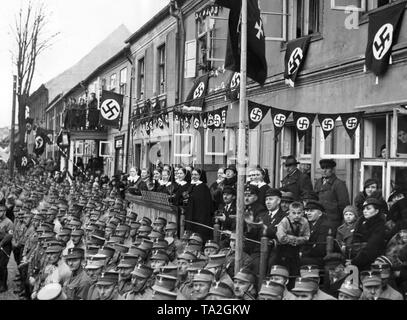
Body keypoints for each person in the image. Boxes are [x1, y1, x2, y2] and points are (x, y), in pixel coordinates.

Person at [349, 198, 386, 271]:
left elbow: (372, 248)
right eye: (364, 209)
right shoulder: (360, 223)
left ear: (376, 211)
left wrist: (355, 261)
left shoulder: (379, 225)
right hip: (356, 260)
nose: (365, 211)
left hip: (370, 264)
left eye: (368, 209)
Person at [314, 159, 350, 233]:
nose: (324, 170)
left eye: (327, 168)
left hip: (333, 221)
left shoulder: (339, 184)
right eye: (322, 168)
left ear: (332, 170)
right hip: (319, 220)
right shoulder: (318, 182)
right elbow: (315, 200)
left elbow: (344, 205)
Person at [276, 202, 310, 280]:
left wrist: (292, 238)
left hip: (297, 250)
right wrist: (296, 239)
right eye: (294, 213)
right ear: (289, 213)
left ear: (303, 213)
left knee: (295, 270)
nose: (296, 215)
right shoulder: (284, 221)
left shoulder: (305, 222)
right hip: (284, 249)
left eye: (299, 213)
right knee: (283, 270)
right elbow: (281, 238)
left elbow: (307, 237)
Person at [300, 200, 332, 268]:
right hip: (310, 257)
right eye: (307, 210)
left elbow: (320, 249)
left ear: (320, 213)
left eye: (311, 211)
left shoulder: (324, 226)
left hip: (320, 259)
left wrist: (303, 253)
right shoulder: (309, 224)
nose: (308, 213)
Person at [185, 169, 214, 242]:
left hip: (200, 216)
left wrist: (190, 199)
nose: (193, 176)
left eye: (196, 175)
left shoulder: (203, 187)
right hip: (191, 213)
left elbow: (205, 203)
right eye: (192, 174)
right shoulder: (191, 185)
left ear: (200, 176)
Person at [0, 200, 14, 293]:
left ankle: (3, 285)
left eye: (1, 211)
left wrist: (1, 243)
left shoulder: (9, 222)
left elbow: (9, 235)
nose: (0, 213)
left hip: (4, 246)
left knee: (2, 266)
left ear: (5, 212)